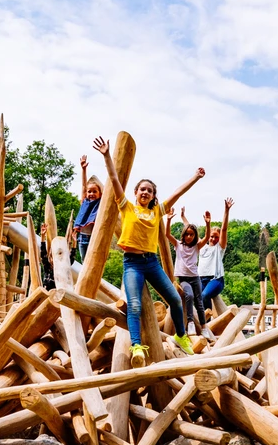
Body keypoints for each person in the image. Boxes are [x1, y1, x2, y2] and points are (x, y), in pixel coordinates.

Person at [92, 135, 204, 367]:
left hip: (152, 263)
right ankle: (136, 346)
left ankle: (181, 336)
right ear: (135, 192)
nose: (145, 193)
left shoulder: (156, 212)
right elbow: (114, 178)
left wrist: (195, 177)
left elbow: (177, 193)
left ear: (154, 196)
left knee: (175, 298)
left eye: (149, 191)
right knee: (134, 305)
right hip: (132, 263)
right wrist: (106, 156)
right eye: (142, 189)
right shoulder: (127, 206)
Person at [166, 207, 215, 342]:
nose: (189, 237)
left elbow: (206, 238)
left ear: (194, 236)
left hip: (195, 277)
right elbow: (167, 234)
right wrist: (169, 220)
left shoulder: (196, 247)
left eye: (191, 235)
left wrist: (208, 224)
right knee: (189, 295)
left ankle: (204, 327)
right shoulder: (178, 245)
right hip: (183, 278)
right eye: (187, 234)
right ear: (183, 235)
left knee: (199, 302)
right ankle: (191, 323)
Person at [199, 197, 233, 317]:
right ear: (208, 236)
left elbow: (224, 229)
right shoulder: (202, 246)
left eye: (216, 237)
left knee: (204, 295)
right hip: (201, 279)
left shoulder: (219, 248)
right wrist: (182, 217)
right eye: (211, 236)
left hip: (216, 280)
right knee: (194, 297)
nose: (213, 239)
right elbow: (189, 229)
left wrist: (226, 210)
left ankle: (207, 321)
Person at [72, 154, 103, 262]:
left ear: (100, 193)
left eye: (95, 191)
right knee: (84, 262)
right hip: (82, 238)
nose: (91, 194)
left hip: (94, 237)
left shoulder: (100, 204)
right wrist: (84, 169)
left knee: (93, 262)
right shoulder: (85, 202)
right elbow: (84, 186)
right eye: (89, 192)